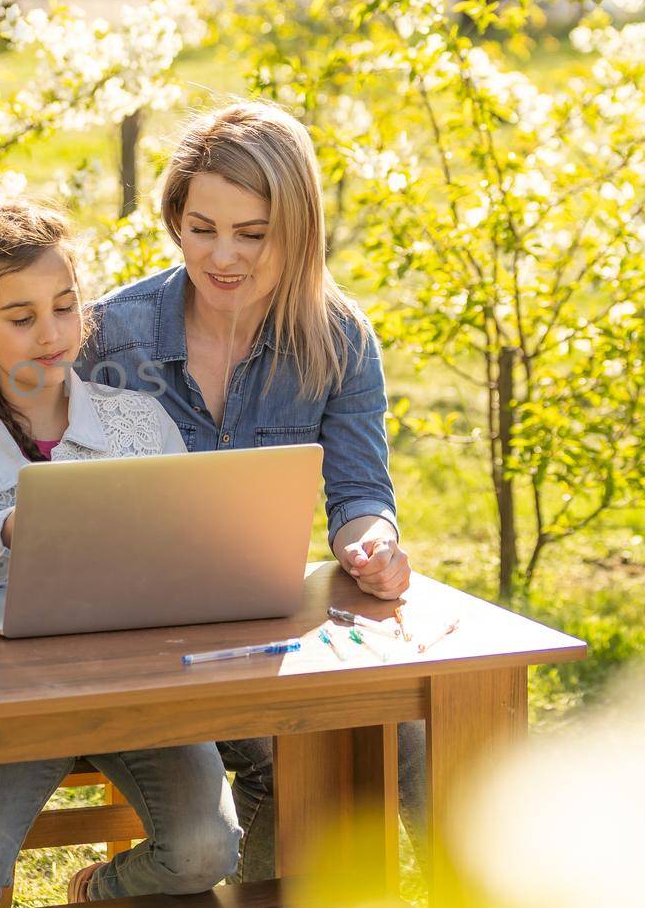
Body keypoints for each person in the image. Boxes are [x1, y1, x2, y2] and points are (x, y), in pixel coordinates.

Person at [75, 100, 425, 880]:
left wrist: (372, 541)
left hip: (259, 632)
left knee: (409, 735)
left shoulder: (337, 338)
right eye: (201, 228)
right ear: (174, 218)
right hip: (136, 645)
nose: (223, 256)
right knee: (300, 758)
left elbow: (361, 490)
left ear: (296, 228)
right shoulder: (111, 335)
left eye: (253, 233)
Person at [0, 203, 242, 906]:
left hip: (143, 695)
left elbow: (194, 554)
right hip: (12, 707)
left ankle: (95, 891)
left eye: (65, 307)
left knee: (207, 849)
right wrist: (4, 530)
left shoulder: (139, 422)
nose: (53, 335)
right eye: (21, 318)